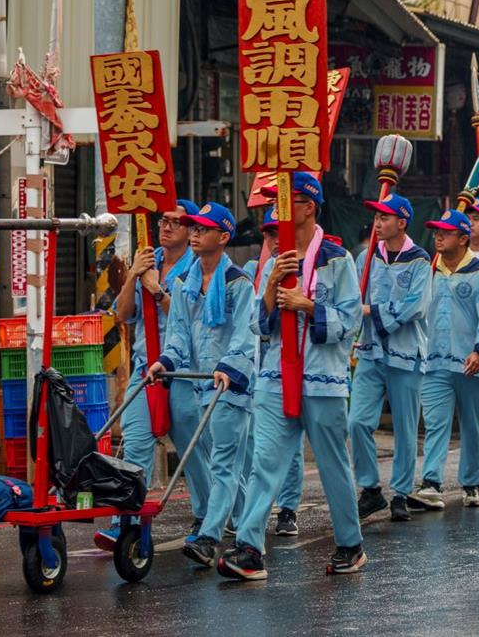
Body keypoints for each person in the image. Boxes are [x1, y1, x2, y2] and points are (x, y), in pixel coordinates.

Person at [219, 172, 365, 579]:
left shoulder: (337, 259)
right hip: (275, 377)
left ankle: (351, 545)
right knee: (264, 463)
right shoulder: (274, 259)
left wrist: (307, 306)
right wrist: (269, 293)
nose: (276, 209)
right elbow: (255, 325)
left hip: (323, 380)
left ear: (309, 207)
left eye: (287, 200)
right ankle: (249, 548)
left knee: (334, 464)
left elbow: (352, 322)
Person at [142, 203, 256, 567]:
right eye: (193, 228)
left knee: (223, 463)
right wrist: (165, 361)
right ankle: (247, 527)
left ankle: (209, 537)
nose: (194, 233)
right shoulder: (183, 284)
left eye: (203, 229)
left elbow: (245, 337)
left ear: (222, 237)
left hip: (230, 385)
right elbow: (178, 335)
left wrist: (228, 368)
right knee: (226, 463)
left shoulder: (238, 283)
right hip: (200, 385)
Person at [97, 199, 198, 551]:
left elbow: (189, 318)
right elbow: (124, 315)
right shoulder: (147, 261)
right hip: (146, 368)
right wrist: (133, 277)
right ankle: (124, 522)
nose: (166, 227)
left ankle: (206, 520)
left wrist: (156, 288)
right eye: (163, 221)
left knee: (192, 452)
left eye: (176, 222)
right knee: (135, 446)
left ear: (190, 230)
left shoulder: (196, 267)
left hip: (185, 371)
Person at [350, 193, 432, 522]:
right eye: (376, 218)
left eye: (384, 218)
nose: (378, 224)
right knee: (356, 421)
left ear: (401, 222)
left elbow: (417, 306)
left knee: (405, 426)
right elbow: (353, 297)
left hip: (406, 354)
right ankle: (370, 489)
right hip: (370, 352)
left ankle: (400, 492)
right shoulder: (365, 258)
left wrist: (372, 311)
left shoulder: (420, 260)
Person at [413, 209, 479, 510]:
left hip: (471, 364)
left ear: (463, 239)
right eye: (436, 231)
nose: (438, 236)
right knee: (436, 423)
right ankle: (431, 483)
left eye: (446, 232)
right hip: (434, 363)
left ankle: (472, 483)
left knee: (473, 427)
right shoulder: (429, 271)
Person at [242, 206, 305, 537]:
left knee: (290, 446)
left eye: (277, 231)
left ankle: (289, 507)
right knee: (259, 447)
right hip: (260, 366)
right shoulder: (257, 268)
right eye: (267, 233)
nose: (273, 238)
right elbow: (255, 322)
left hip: (297, 368)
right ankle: (250, 526)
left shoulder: (312, 263)